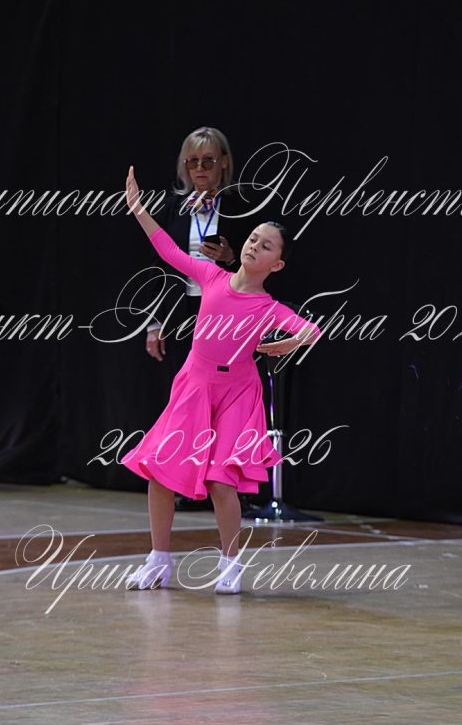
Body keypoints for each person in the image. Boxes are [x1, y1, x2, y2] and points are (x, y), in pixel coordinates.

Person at [121, 165, 322, 594]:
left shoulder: (269, 307)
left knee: (220, 480)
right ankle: (158, 559)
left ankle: (231, 565)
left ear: (277, 263)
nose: (254, 246)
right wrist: (138, 209)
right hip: (194, 386)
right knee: (159, 472)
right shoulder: (212, 275)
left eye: (266, 245)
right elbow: (167, 248)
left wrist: (284, 345)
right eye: (253, 239)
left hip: (237, 393)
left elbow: (311, 331)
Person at [144, 125, 263, 513]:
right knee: (187, 405)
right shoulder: (173, 207)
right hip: (184, 314)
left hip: (227, 317)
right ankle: (188, 482)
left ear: (224, 163)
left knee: (227, 403)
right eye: (192, 161)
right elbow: (160, 267)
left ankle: (232, 487)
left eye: (208, 161)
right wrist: (155, 322)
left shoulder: (242, 206)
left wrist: (230, 258)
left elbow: (262, 265)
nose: (199, 168)